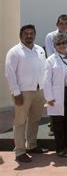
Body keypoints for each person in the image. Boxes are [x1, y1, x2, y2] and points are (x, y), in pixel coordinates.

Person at [5, 25, 48, 163]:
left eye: (31, 33)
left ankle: (32, 145)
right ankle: (19, 151)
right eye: (26, 33)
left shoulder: (40, 50)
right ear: (21, 35)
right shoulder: (14, 52)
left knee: (35, 120)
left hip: (39, 91)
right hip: (22, 93)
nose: (29, 36)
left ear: (35, 35)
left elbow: (44, 70)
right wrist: (16, 93)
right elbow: (9, 73)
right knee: (20, 122)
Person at [44, 33, 67, 157]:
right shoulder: (50, 60)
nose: (61, 45)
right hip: (56, 95)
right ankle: (60, 148)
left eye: (64, 43)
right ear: (54, 46)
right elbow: (46, 80)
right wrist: (49, 97)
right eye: (58, 44)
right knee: (57, 123)